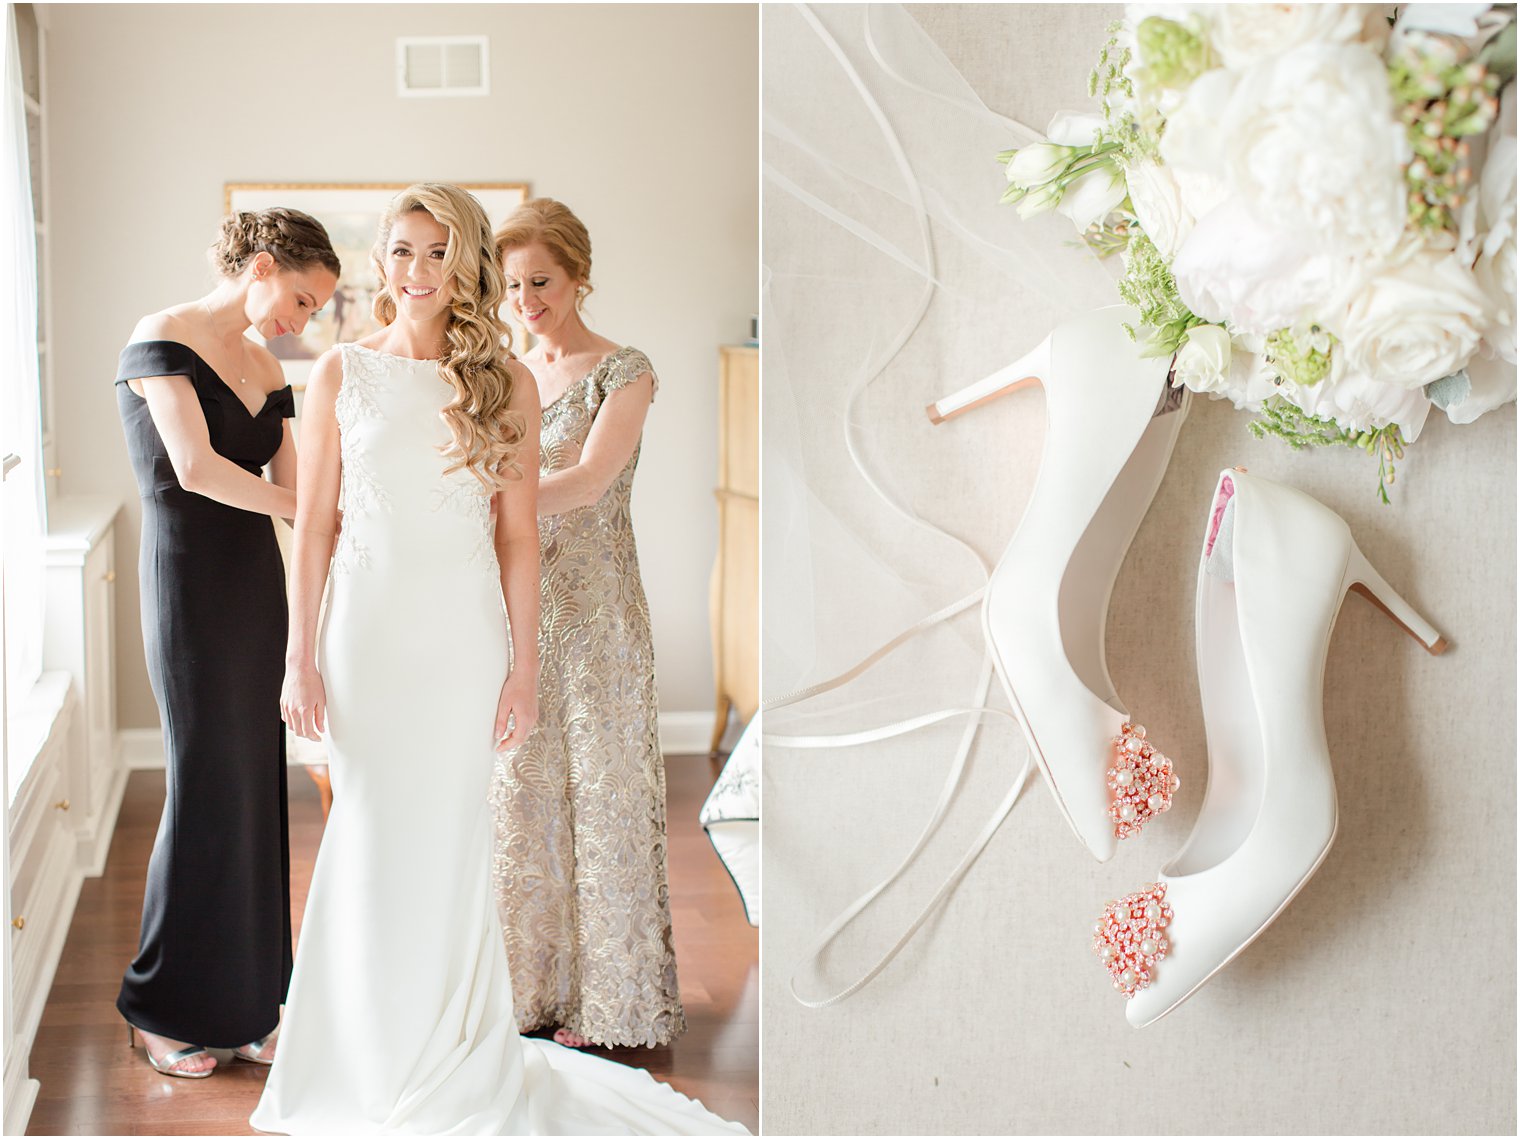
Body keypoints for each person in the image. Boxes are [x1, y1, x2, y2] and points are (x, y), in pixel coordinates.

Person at [251, 183, 742, 1134]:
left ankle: (451, 1049)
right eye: (401, 252)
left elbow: (518, 538)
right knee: (365, 839)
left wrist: (521, 668)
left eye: (438, 254)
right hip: (365, 639)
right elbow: (313, 528)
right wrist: (297, 659)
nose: (418, 272)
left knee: (449, 847)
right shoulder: (338, 373)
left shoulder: (504, 383)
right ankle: (357, 1052)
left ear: (464, 263)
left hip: (462, 641)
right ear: (381, 262)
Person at [114, 208, 340, 1077]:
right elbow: (197, 469)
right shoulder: (160, 335)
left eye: (315, 310)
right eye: (300, 298)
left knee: (255, 788)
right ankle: (160, 1006)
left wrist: (332, 515)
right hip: (185, 583)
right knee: (205, 785)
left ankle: (248, 1003)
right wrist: (313, 511)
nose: (302, 320)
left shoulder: (265, 363)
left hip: (254, 587)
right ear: (262, 264)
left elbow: (297, 478)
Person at [490, 198, 683, 1050]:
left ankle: (609, 1001)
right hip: (518, 602)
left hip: (599, 608)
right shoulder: (506, 374)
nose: (526, 298)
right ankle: (533, 991)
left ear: (578, 277)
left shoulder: (625, 370)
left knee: (604, 794)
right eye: (513, 284)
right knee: (523, 794)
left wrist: (490, 501)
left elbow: (594, 480)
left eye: (542, 280)